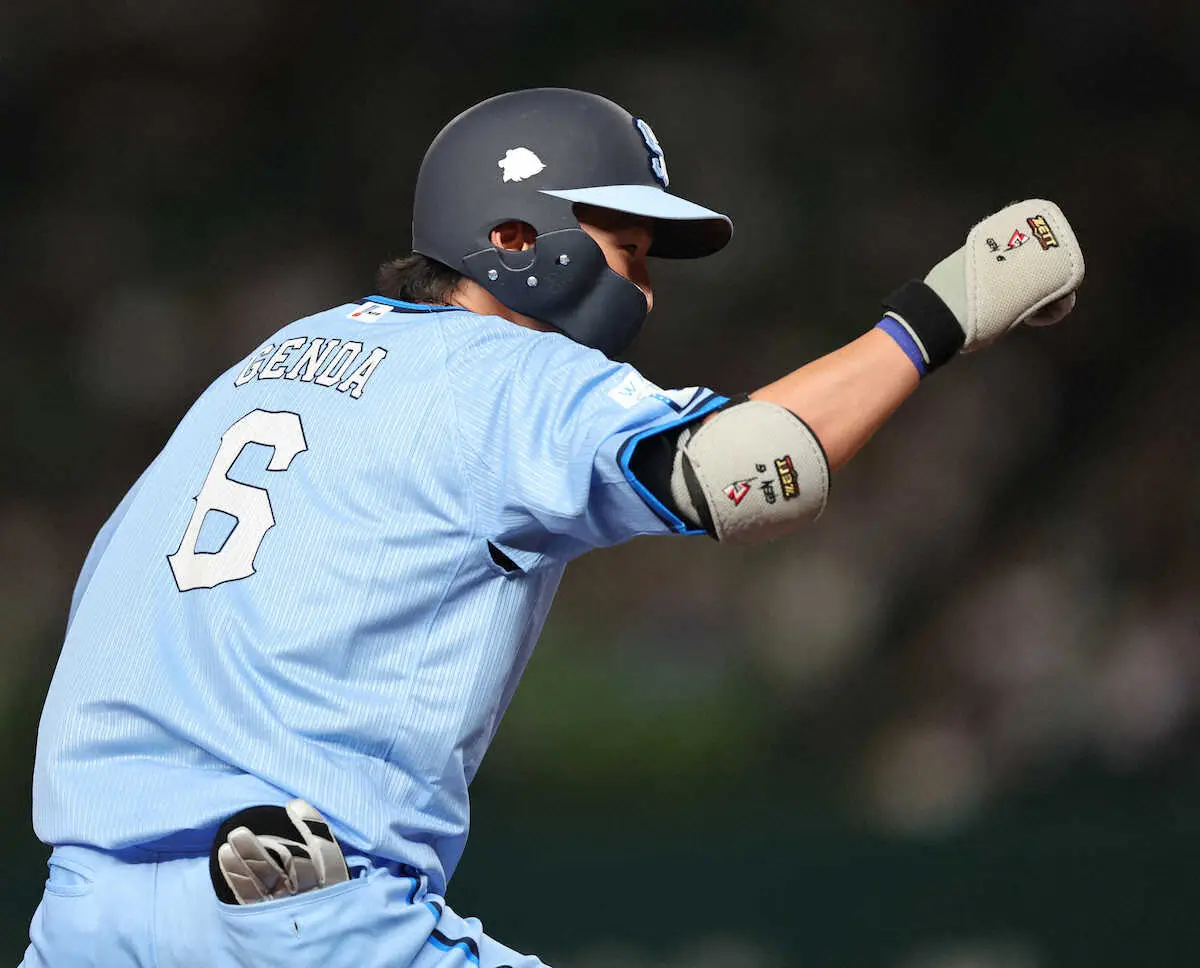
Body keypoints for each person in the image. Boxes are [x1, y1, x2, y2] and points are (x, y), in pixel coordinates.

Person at [20, 88, 1083, 968]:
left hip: (85, 913)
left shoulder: (270, 361)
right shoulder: (504, 371)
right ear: (517, 237)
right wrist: (940, 312)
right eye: (627, 247)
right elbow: (751, 471)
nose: (644, 292)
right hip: (308, 913)